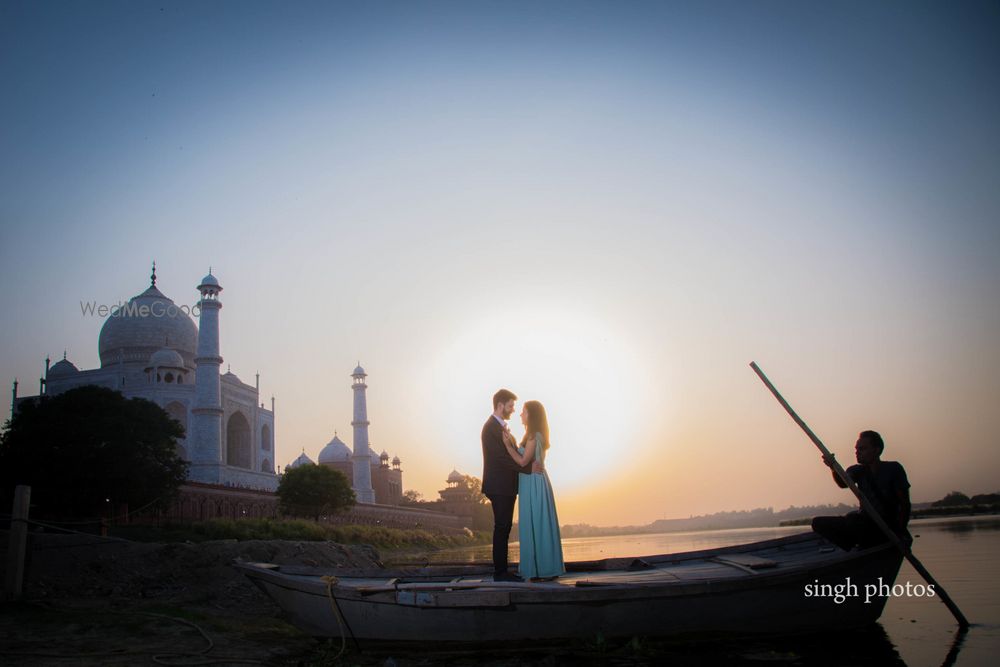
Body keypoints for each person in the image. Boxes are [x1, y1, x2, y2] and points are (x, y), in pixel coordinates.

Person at [811, 430, 912, 551]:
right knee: (818, 523)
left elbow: (905, 504)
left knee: (855, 521)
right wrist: (832, 466)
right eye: (857, 449)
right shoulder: (857, 471)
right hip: (865, 526)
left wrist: (900, 531)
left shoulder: (893, 468)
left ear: (876, 450)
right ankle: (856, 547)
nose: (857, 452)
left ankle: (870, 543)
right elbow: (843, 483)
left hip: (886, 526)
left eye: (862, 449)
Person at [481, 389, 540, 581]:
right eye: (510, 406)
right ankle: (500, 573)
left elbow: (511, 453)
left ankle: (502, 571)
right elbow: (501, 459)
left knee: (504, 527)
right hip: (499, 485)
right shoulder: (491, 428)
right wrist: (528, 469)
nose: (513, 410)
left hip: (505, 485)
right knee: (502, 527)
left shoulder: (500, 427)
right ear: (500, 405)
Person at [503, 400, 565, 580]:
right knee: (536, 523)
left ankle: (542, 569)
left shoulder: (533, 436)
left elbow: (522, 462)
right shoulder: (533, 436)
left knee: (536, 523)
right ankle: (541, 567)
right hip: (531, 482)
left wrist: (507, 446)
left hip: (533, 484)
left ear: (531, 415)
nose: (520, 414)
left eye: (523, 411)